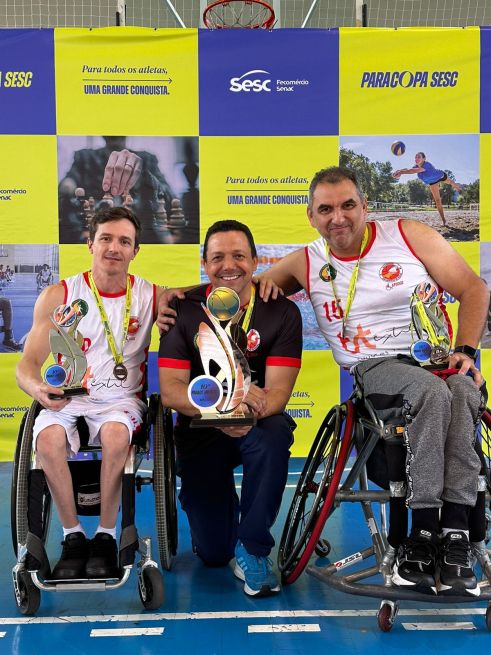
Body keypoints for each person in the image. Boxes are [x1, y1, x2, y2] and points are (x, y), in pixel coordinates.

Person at [254, 166, 488, 596]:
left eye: (348, 205)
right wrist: (174, 297)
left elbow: (474, 289)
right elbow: (238, 293)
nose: (338, 217)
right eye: (326, 209)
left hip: (435, 358)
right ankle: (423, 531)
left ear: (365, 207)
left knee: (462, 389)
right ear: (311, 216)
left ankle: (455, 533)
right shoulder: (308, 260)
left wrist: (466, 351)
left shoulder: (407, 234)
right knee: (430, 391)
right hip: (375, 366)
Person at [16, 206, 164, 580]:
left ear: (135, 251)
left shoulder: (151, 295)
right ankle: (73, 537)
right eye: (106, 239)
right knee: (46, 439)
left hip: (121, 399)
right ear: (90, 244)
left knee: (115, 435)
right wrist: (38, 388)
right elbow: (26, 366)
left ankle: (106, 535)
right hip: (69, 397)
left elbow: (204, 298)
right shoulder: (59, 295)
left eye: (124, 241)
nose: (114, 247)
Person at [158, 219, 302, 597]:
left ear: (255, 260)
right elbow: (171, 392)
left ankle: (253, 547)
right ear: (205, 264)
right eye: (217, 257)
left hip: (258, 421)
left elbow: (278, 394)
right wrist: (225, 408)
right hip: (201, 425)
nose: (229, 265)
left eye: (239, 256)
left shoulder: (281, 311)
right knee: (214, 553)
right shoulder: (182, 310)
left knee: (273, 437)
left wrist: (244, 414)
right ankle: (220, 526)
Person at [59, 136, 174, 244]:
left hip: (140, 234)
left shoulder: (146, 160)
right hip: (93, 232)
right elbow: (68, 183)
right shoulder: (84, 158)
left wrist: (145, 178)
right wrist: (67, 185)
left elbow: (168, 194)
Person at [392, 152, 462, 226]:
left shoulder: (426, 165)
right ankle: (444, 220)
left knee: (451, 182)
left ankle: (458, 189)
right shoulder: (415, 166)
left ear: (424, 159)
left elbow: (412, 171)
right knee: (437, 200)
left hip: (440, 176)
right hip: (432, 182)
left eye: (419, 157)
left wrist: (401, 172)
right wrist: (398, 171)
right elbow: (408, 169)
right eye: (415, 157)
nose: (416, 158)